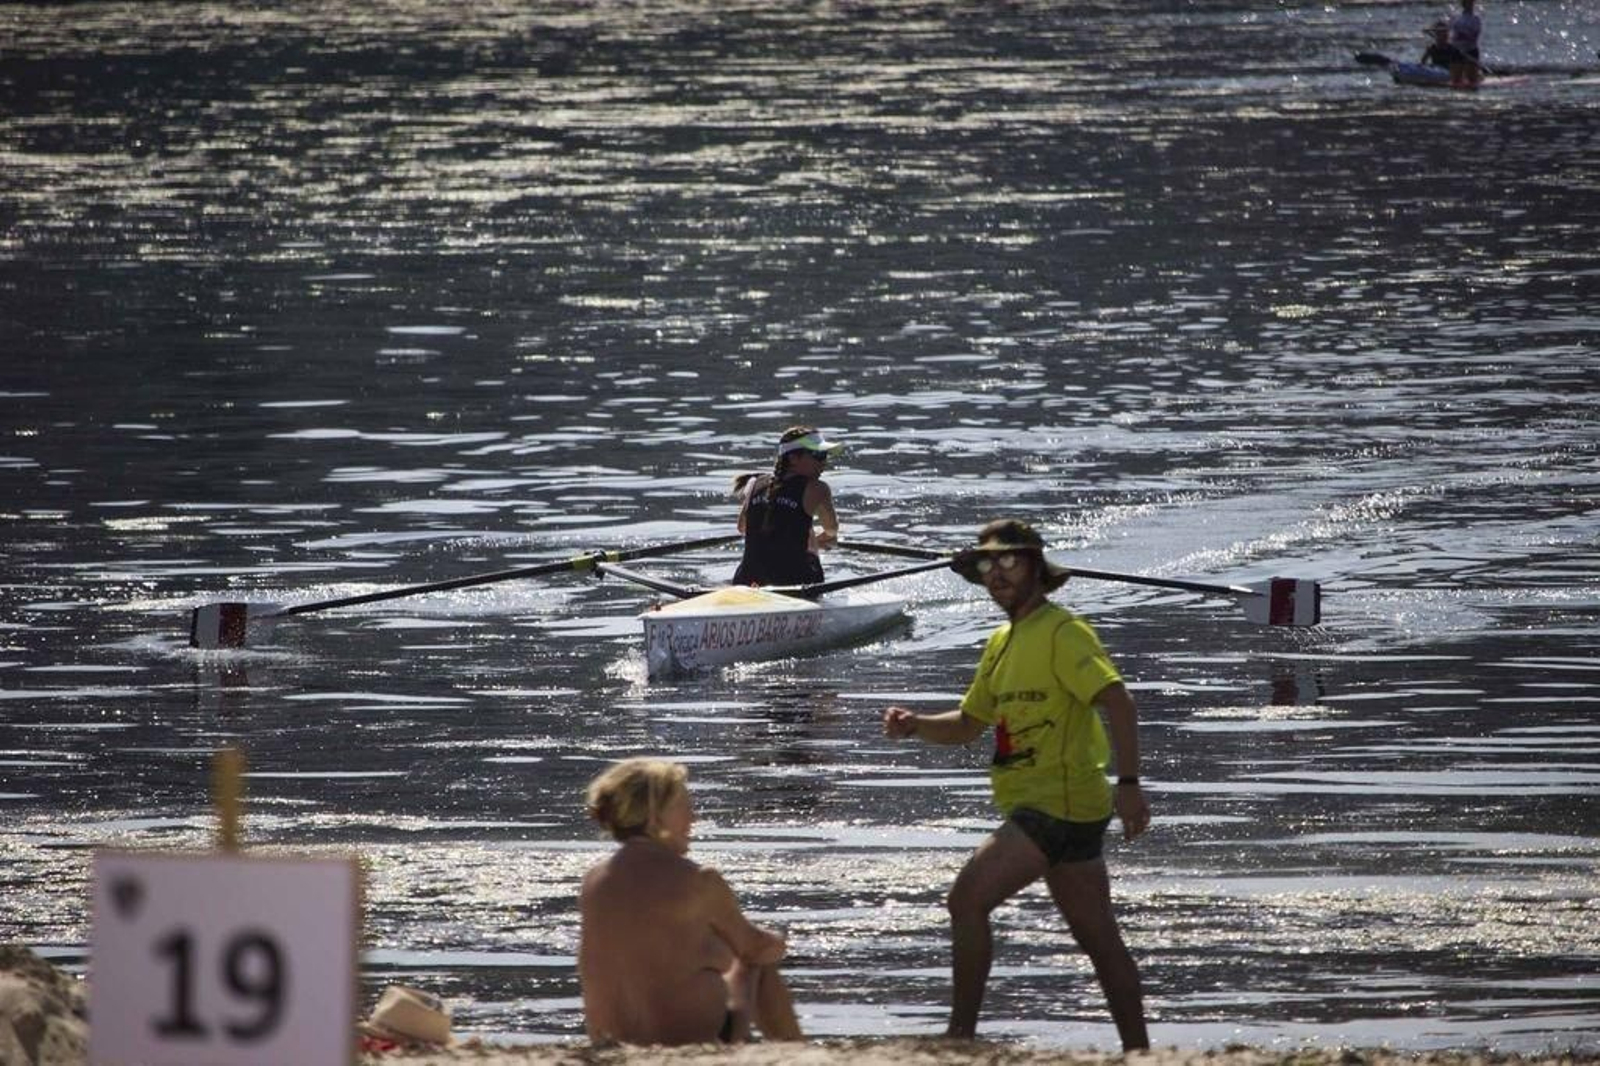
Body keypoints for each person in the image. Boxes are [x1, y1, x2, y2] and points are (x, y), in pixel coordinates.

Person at [881, 518, 1150, 1051]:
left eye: (1009, 561)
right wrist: (915, 725)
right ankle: (1140, 1052)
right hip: (1052, 807)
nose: (997, 573)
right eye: (987, 564)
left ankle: (961, 1038)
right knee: (1099, 939)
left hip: (1058, 804)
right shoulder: (1002, 642)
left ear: (1036, 568)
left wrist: (1130, 783)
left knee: (966, 900)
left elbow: (1117, 699)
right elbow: (967, 724)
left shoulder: (1062, 632)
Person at [578, 758, 803, 1047]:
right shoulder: (700, 881)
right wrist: (781, 942)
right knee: (757, 962)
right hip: (686, 1038)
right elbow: (755, 947)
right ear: (656, 816)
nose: (693, 818)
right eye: (684, 807)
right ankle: (796, 1051)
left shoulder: (594, 882)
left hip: (610, 1040)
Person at [730, 426, 842, 587]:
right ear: (793, 458)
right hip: (795, 580)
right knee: (810, 532)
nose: (824, 462)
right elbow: (832, 530)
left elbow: (742, 528)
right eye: (818, 455)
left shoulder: (754, 483)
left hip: (747, 580)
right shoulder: (818, 488)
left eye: (825, 455)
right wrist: (816, 541)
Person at [1448, 0, 1484, 88]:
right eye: (1468, 3)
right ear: (1463, 4)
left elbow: (1475, 35)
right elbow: (1449, 30)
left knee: (1472, 80)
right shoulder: (1456, 17)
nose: (1470, 5)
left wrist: (1463, 36)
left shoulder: (1476, 19)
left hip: (1471, 50)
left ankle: (1475, 80)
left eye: (1471, 3)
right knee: (1455, 80)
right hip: (1457, 50)